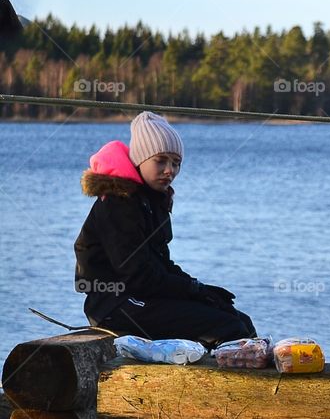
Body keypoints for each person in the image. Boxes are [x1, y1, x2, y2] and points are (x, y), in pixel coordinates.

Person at [74, 111, 256, 347]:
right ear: (140, 160)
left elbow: (161, 265)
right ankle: (219, 379)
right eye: (161, 160)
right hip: (114, 305)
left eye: (176, 163)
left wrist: (201, 290)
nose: (170, 170)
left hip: (141, 296)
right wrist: (193, 290)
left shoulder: (152, 201)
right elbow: (140, 276)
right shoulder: (118, 203)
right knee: (228, 327)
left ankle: (250, 374)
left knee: (239, 320)